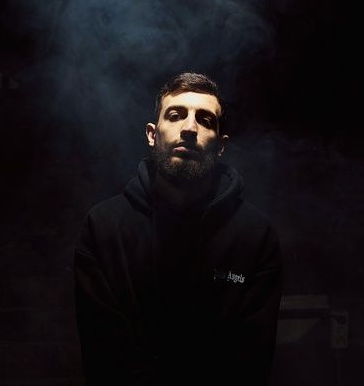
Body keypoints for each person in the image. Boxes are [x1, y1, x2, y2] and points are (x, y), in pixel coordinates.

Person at [74, 72, 282, 385]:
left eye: (205, 120)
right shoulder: (103, 227)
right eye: (176, 115)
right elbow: (104, 355)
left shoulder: (256, 236)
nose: (189, 128)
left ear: (221, 146)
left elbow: (250, 362)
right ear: (152, 134)